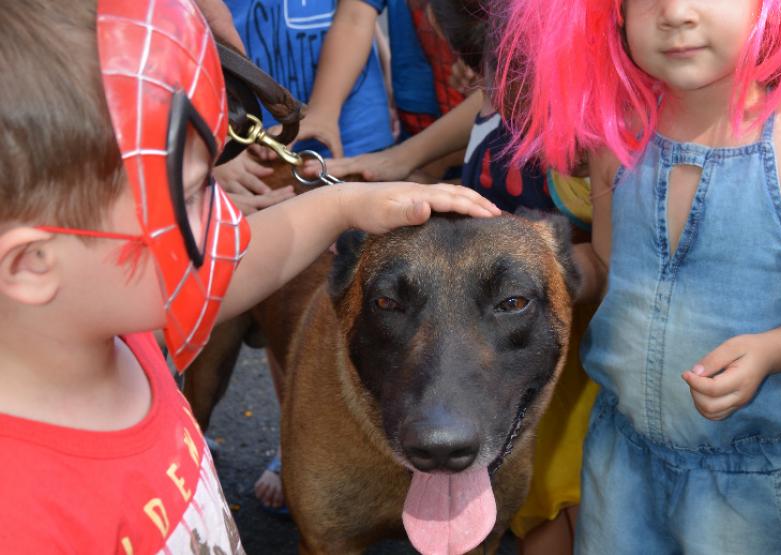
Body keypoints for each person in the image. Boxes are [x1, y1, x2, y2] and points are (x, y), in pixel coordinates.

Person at [0, 0, 499, 551]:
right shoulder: (20, 517)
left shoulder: (105, 320)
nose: (233, 215)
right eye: (195, 193)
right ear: (31, 264)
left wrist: (345, 205)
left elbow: (240, 265)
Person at [494, 0, 781, 552]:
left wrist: (775, 351)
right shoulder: (616, 143)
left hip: (754, 491)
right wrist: (523, 271)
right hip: (619, 466)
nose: (674, 12)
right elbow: (606, 265)